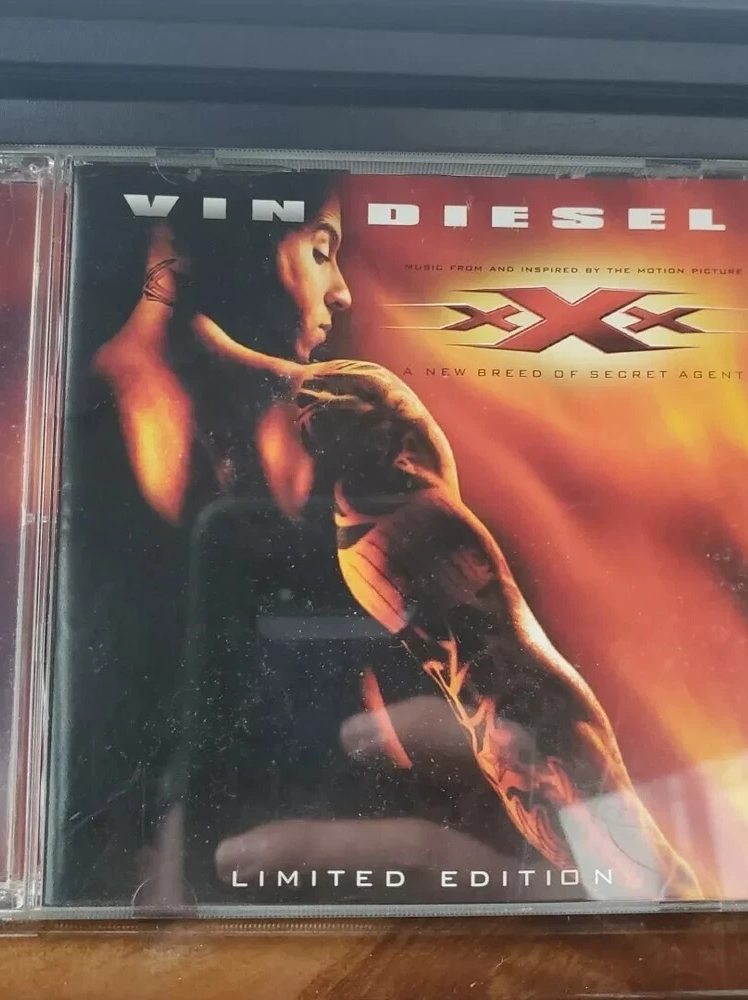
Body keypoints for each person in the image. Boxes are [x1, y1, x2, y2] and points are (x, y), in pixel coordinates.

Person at [90, 174, 701, 904]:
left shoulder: (38, 422)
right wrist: (665, 906)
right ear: (226, 240)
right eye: (321, 250)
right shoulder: (345, 419)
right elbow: (520, 706)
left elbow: (516, 701)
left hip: (283, 891)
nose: (343, 292)